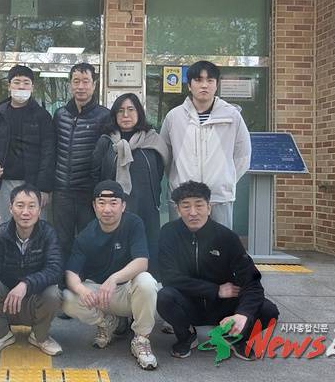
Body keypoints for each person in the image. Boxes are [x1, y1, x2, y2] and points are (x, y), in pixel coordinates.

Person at [157, 181, 279, 360]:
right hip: (189, 304)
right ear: (178, 209)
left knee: (269, 310)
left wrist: (243, 314)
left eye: (199, 205)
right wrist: (215, 290)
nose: (193, 212)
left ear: (209, 207)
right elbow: (169, 277)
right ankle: (187, 336)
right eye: (186, 206)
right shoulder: (168, 233)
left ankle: (235, 338)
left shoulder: (227, 237)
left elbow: (252, 281)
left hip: (223, 307)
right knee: (165, 297)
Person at [63, 180, 159, 370]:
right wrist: (82, 290)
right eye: (102, 203)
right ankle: (107, 323)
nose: (107, 209)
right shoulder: (86, 235)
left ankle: (141, 338)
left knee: (146, 281)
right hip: (101, 296)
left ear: (123, 206)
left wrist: (114, 278)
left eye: (113, 203)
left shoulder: (133, 223)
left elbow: (142, 261)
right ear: (94, 206)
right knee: (67, 298)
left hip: (128, 293)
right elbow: (71, 273)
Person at [159, 60, 251, 230]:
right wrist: (177, 179)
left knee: (220, 243)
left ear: (216, 85)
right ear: (189, 85)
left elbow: (243, 155)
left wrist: (224, 179)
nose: (204, 85)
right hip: (183, 197)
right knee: (181, 242)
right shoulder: (174, 117)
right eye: (198, 80)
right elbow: (166, 156)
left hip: (218, 198)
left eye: (210, 80)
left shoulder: (232, 116)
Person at [0, 183, 63, 357]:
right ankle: (0, 335)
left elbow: (55, 270)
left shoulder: (48, 233)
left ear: (39, 210)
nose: (25, 212)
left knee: (53, 293)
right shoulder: (1, 233)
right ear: (10, 208)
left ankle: (40, 337)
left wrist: (25, 284)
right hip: (6, 303)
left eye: (31, 206)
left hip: (34, 302)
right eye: (20, 205)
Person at [91, 93, 169, 278]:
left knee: (146, 249)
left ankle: (148, 285)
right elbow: (95, 173)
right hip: (114, 207)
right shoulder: (106, 141)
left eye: (131, 109)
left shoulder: (152, 140)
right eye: (121, 111)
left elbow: (159, 172)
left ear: (139, 113)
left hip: (146, 206)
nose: (125, 115)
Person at [0, 65, 55, 221]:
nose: (21, 86)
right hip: (2, 184)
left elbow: (49, 154)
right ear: (9, 86)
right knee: (0, 226)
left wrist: (45, 188)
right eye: (17, 82)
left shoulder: (42, 116)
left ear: (32, 87)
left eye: (26, 83)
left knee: (33, 227)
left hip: (33, 185)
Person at [53, 62, 109, 258]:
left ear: (94, 85)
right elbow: (53, 151)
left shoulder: (104, 116)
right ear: (70, 85)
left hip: (88, 192)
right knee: (62, 241)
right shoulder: (60, 115)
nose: (81, 86)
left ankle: (86, 276)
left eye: (86, 81)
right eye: (76, 81)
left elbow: (106, 157)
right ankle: (62, 276)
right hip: (62, 192)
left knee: (89, 239)